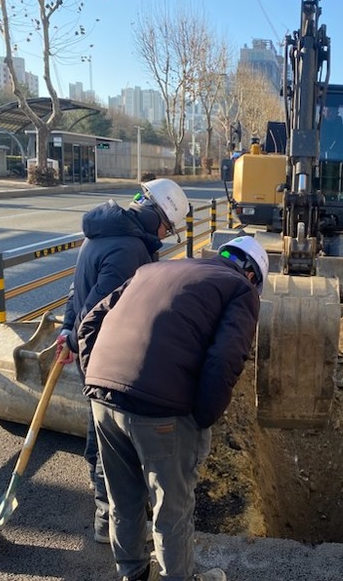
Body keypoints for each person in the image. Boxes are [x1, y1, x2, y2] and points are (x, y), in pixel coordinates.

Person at [76, 235, 268, 581]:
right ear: (253, 275)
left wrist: (96, 378)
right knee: (172, 510)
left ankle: (132, 574)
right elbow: (226, 358)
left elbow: (89, 321)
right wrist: (201, 417)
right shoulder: (241, 289)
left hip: (103, 397)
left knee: (123, 497)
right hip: (159, 409)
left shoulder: (155, 270)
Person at [55, 178, 189, 545]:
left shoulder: (102, 234)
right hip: (106, 355)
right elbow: (99, 308)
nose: (164, 235)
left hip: (91, 352)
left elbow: (76, 290)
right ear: (155, 216)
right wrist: (77, 337)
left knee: (98, 428)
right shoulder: (130, 249)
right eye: (167, 227)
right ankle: (108, 518)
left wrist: (67, 329)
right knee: (112, 443)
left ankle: (104, 500)